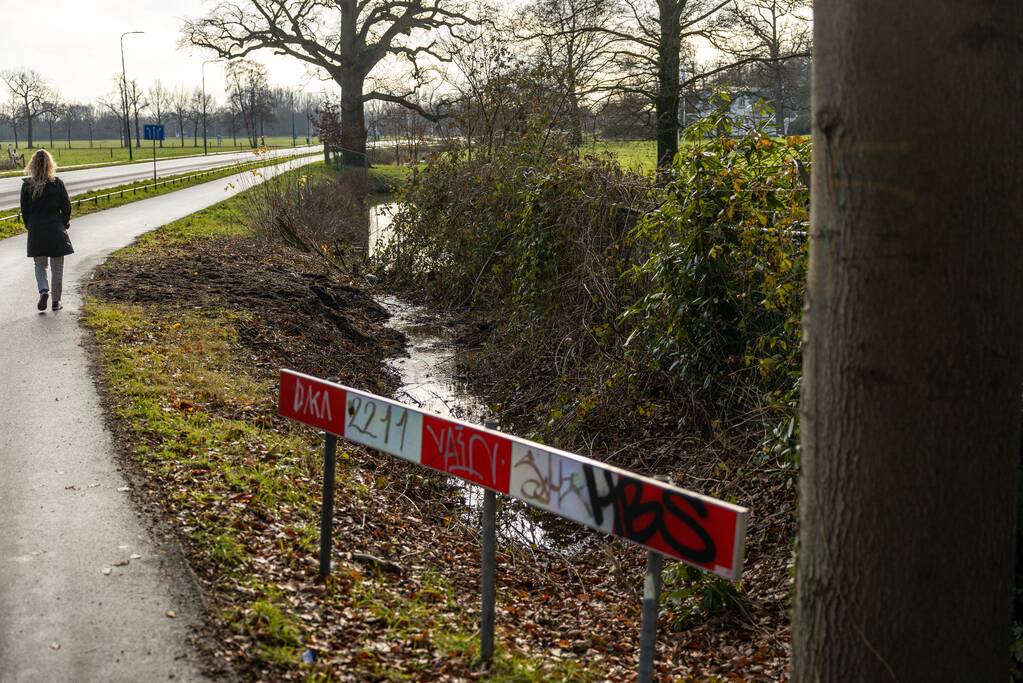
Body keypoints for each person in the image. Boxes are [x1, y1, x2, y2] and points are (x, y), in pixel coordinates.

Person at [20, 149, 72, 312]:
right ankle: (56, 302)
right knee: (57, 267)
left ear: (32, 165)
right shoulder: (57, 183)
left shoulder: (27, 185)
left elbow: (24, 210)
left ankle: (43, 290)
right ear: (50, 164)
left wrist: (30, 226)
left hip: (36, 229)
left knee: (39, 264)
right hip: (55, 228)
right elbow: (66, 206)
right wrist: (64, 223)